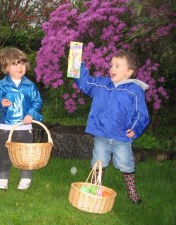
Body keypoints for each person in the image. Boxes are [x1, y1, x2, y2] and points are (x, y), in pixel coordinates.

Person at [75, 50, 150, 204]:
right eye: (111, 65)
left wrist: (135, 129)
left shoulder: (134, 90)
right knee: (98, 161)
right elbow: (85, 82)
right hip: (101, 134)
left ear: (129, 72)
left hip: (121, 137)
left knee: (125, 163)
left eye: (117, 66)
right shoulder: (102, 84)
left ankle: (131, 191)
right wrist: (77, 63)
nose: (112, 69)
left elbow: (141, 114)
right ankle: (94, 188)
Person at [0, 47, 43, 190]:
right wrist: (0, 102)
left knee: (25, 154)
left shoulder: (30, 86)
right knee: (4, 154)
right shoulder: (1, 85)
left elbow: (37, 102)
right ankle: (2, 177)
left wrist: (31, 113)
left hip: (25, 127)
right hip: (6, 127)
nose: (20, 67)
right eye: (15, 64)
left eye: (22, 63)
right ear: (6, 67)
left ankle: (25, 177)